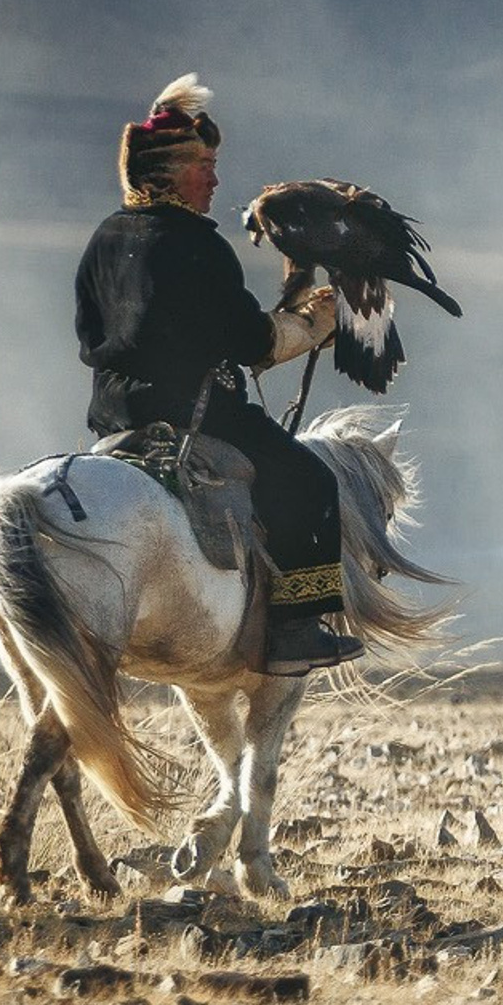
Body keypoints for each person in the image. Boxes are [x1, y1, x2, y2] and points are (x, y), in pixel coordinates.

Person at [75, 74, 365, 676]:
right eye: (203, 166)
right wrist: (313, 324)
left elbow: (91, 334)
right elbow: (248, 341)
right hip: (196, 413)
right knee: (308, 480)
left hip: (113, 416)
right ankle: (295, 628)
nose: (215, 180)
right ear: (168, 173)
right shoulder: (195, 244)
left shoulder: (105, 237)